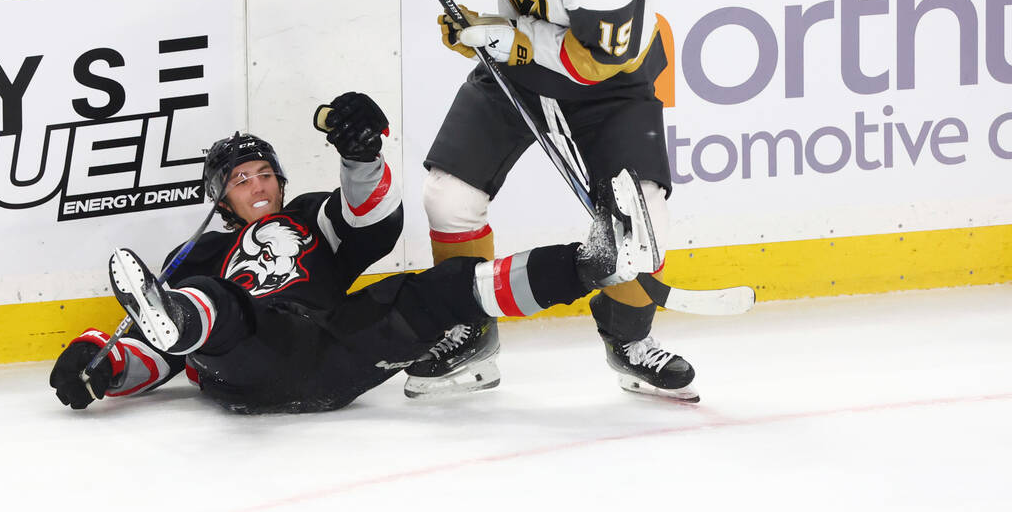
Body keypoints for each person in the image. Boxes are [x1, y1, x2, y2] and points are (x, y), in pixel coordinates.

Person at [317, 0, 700, 402]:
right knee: (449, 195)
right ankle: (468, 333)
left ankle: (630, 341)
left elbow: (595, 62)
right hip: (513, 69)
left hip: (609, 87)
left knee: (638, 222)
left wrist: (507, 36)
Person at [48, 92, 658, 414]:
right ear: (220, 197)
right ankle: (186, 317)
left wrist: (361, 156)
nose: (259, 184)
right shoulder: (200, 252)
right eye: (241, 179)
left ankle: (590, 262)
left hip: (332, 353)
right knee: (222, 305)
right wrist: (103, 368)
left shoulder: (313, 214)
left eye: (265, 172)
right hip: (248, 366)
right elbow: (155, 352)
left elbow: (371, 222)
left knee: (442, 289)